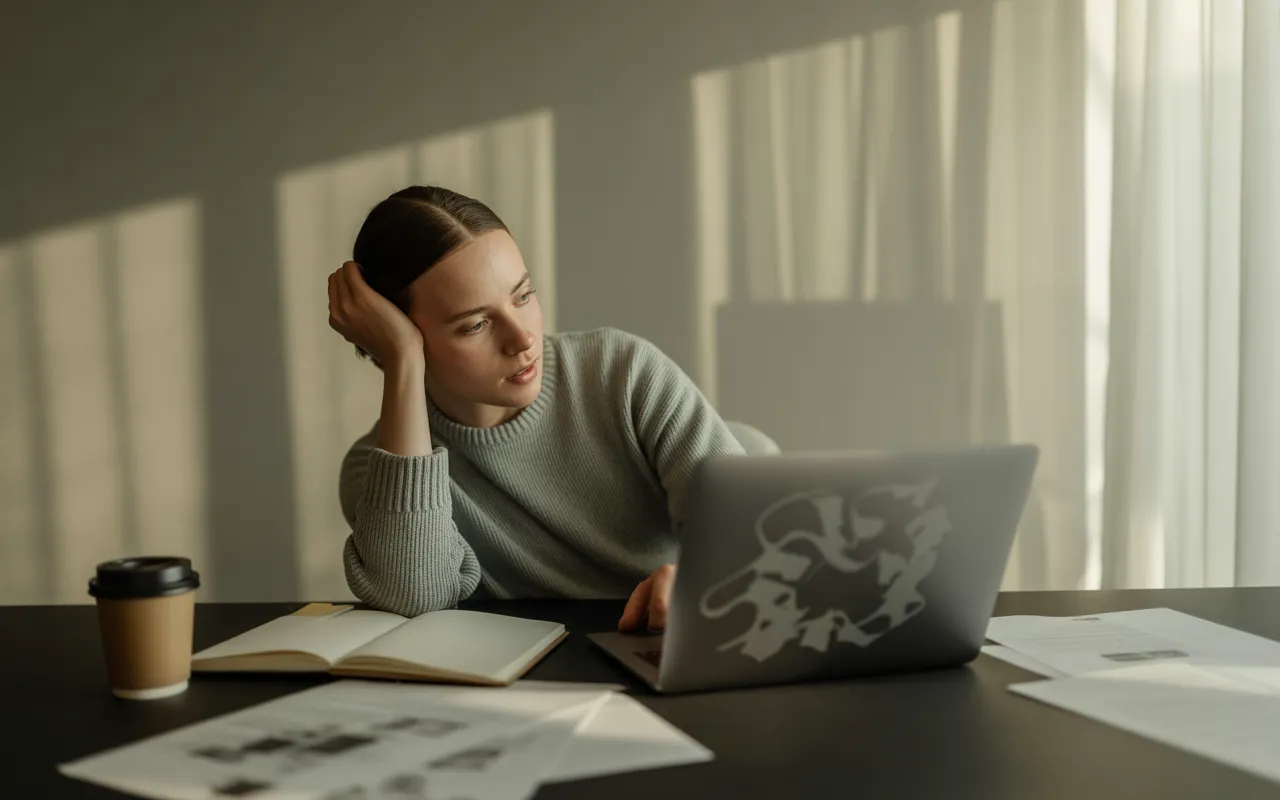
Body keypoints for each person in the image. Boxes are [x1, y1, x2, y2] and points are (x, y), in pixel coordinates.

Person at [327, 185, 747, 632]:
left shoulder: (622, 374)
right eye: (475, 324)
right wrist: (403, 362)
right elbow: (414, 598)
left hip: (661, 647)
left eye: (523, 296)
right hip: (525, 684)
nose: (522, 339)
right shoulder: (380, 477)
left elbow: (753, 534)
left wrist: (702, 579)